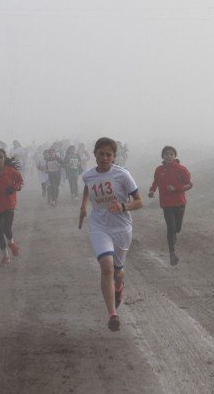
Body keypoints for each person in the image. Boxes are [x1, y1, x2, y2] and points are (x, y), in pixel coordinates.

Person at [79, 137, 143, 332]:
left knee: (117, 272)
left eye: (108, 155)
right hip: (100, 227)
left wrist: (123, 206)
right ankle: (112, 315)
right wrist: (83, 207)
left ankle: (119, 285)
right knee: (106, 268)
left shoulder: (123, 175)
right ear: (95, 155)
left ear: (114, 157)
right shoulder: (88, 175)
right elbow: (88, 188)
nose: (104, 158)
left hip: (122, 229)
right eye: (101, 154)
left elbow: (139, 202)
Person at [148, 146, 193, 266]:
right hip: (166, 203)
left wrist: (176, 188)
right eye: (166, 154)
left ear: (175, 156)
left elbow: (189, 184)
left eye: (171, 154)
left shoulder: (182, 169)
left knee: (177, 228)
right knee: (171, 227)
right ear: (162, 156)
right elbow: (156, 182)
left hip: (179, 202)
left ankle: (173, 238)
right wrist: (152, 190)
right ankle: (172, 253)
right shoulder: (159, 170)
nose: (168, 156)